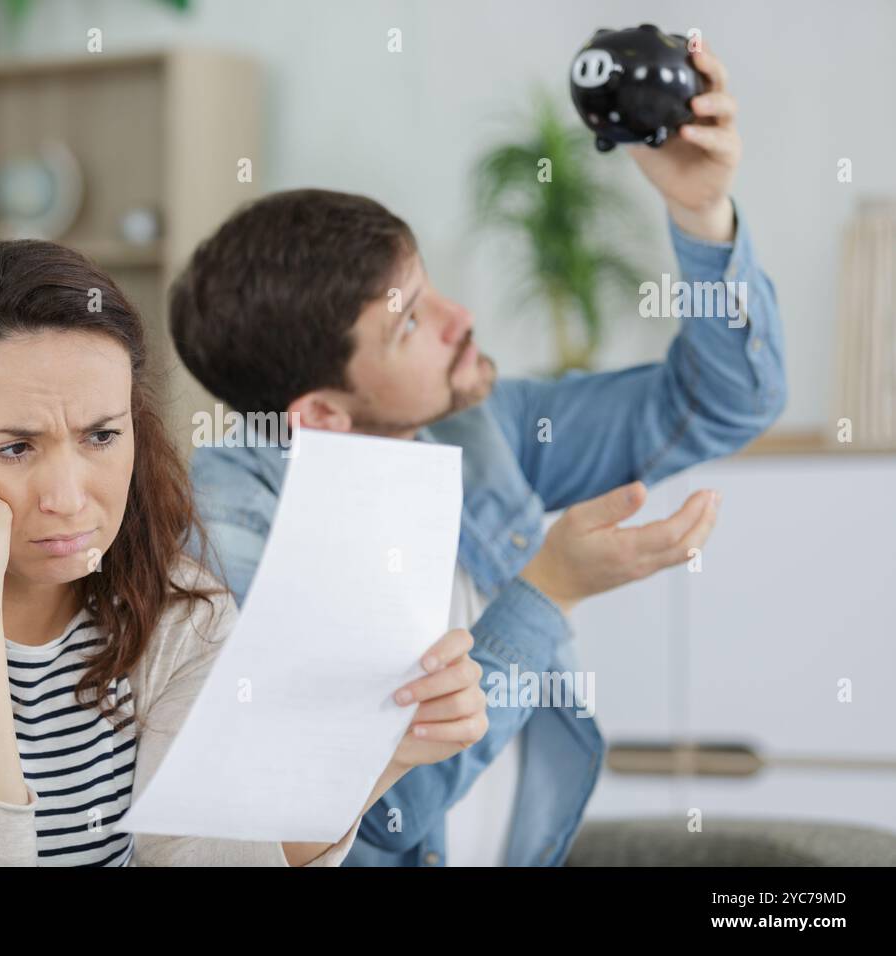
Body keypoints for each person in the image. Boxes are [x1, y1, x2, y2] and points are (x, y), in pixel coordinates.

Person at [170, 45, 785, 866]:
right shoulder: (229, 539)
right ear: (320, 414)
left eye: (428, 289)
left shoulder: (469, 426)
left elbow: (722, 401)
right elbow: (367, 829)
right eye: (411, 323)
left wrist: (702, 217)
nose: (461, 318)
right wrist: (548, 592)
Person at [0, 239, 488, 866]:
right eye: (16, 447)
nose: (67, 495)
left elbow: (191, 860)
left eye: (100, 435)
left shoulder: (179, 611)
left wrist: (376, 760)